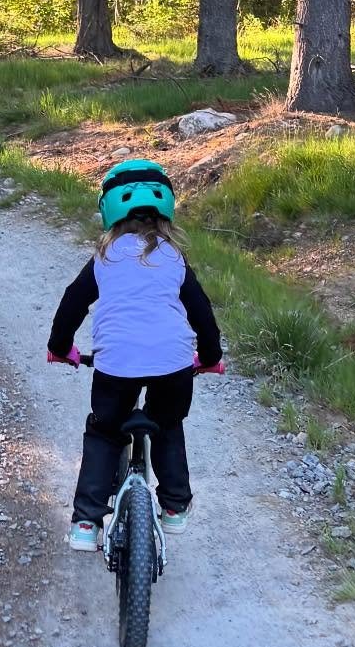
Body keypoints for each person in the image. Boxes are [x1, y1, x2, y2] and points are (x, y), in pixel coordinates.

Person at [46, 158, 224, 551]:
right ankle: (175, 507)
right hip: (173, 366)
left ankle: (86, 523)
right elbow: (202, 314)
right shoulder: (175, 258)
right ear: (167, 211)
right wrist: (210, 357)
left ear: (107, 209)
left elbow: (72, 304)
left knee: (105, 432)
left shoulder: (104, 259)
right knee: (168, 424)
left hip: (115, 367)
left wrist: (60, 349)